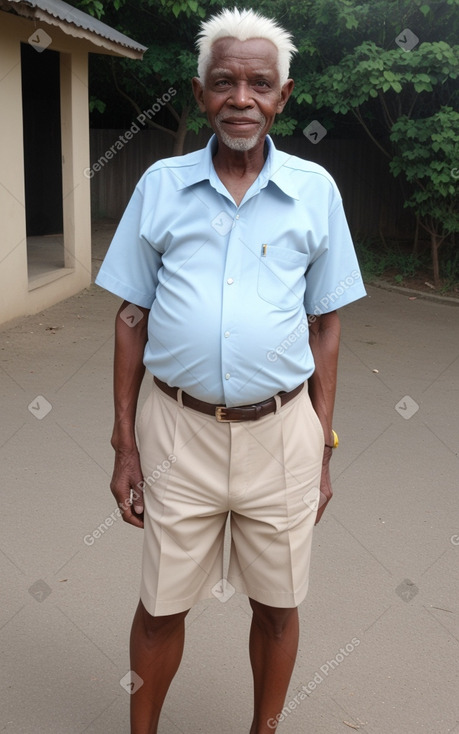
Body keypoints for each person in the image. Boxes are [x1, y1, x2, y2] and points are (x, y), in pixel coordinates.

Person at [95, 7, 366, 733]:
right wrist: (124, 442)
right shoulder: (160, 185)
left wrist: (320, 445)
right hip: (175, 431)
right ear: (198, 92)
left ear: (283, 95)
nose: (239, 98)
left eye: (257, 83)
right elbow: (129, 320)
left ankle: (263, 730)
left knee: (278, 604)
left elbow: (327, 325)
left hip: (282, 435)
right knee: (159, 606)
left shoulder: (314, 192)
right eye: (223, 83)